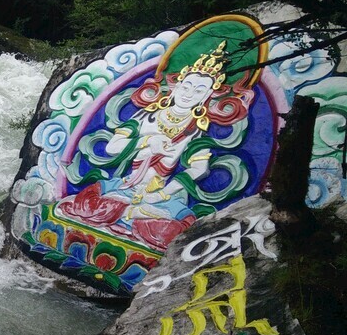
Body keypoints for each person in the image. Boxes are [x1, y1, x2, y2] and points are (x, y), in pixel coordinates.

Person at [57, 41, 252, 250]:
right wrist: (148, 142)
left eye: (198, 90)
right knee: (84, 203)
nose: (189, 94)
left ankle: (129, 216)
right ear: (176, 86)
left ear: (205, 96)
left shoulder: (195, 130)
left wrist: (163, 194)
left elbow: (200, 168)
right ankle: (128, 214)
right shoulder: (147, 115)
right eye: (186, 86)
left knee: (176, 229)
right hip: (126, 186)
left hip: (160, 195)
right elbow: (112, 147)